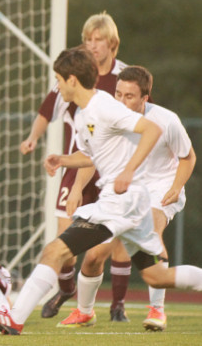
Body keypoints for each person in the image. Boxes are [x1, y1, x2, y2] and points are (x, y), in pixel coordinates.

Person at [0, 46, 201, 335]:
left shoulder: (104, 106)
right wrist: (63, 159)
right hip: (129, 203)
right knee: (157, 277)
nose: (56, 86)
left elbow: (152, 130)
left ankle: (14, 318)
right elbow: (93, 155)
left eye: (58, 79)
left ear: (72, 80)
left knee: (54, 250)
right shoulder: (84, 114)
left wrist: (129, 171)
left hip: (122, 202)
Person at [58, 65, 196, 331]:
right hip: (122, 193)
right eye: (118, 94)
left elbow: (188, 157)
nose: (121, 100)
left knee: (152, 234)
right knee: (94, 255)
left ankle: (157, 311)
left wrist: (177, 186)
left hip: (159, 189)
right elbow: (90, 158)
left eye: (129, 96)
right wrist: (75, 190)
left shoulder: (167, 121)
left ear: (145, 98)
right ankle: (84, 312)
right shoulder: (107, 116)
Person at [20, 12, 131, 321]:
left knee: (101, 253)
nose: (92, 46)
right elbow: (46, 110)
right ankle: (66, 288)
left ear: (112, 43)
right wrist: (32, 138)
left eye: (98, 40)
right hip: (76, 166)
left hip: (111, 173)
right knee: (63, 246)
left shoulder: (123, 78)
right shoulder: (72, 77)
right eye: (87, 40)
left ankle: (110, 306)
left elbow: (144, 121)